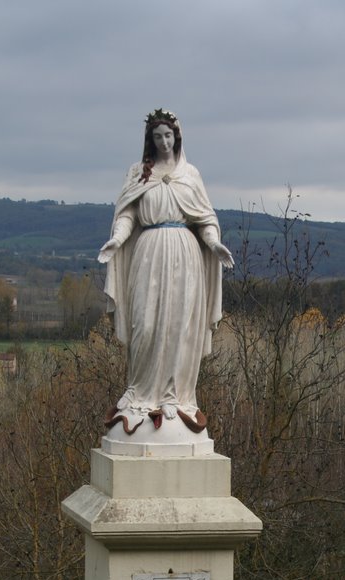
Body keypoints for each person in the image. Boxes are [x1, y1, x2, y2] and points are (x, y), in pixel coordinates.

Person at [98, 109, 234, 435]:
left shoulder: (191, 175)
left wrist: (214, 244)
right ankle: (140, 390)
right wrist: (117, 239)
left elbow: (205, 219)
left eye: (168, 135)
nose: (163, 142)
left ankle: (176, 395)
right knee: (144, 322)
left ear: (177, 137)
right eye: (157, 136)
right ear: (150, 139)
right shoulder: (138, 174)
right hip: (148, 254)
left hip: (186, 256)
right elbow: (127, 215)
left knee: (180, 325)